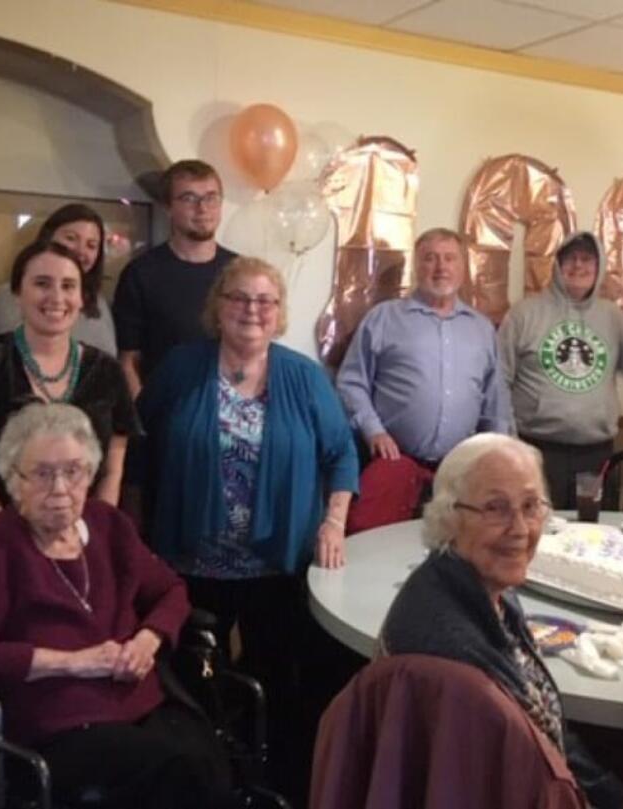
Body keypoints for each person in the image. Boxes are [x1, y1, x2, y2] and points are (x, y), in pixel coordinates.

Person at [0, 403, 233, 808]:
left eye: (73, 471)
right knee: (175, 770)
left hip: (142, 705)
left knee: (211, 760)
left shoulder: (109, 525)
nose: (59, 489)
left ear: (89, 474)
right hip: (56, 725)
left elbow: (171, 591)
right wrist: (74, 662)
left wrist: (148, 638)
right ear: (12, 478)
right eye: (42, 473)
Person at [138, 256, 358, 798]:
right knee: (190, 684)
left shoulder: (303, 377)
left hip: (275, 562)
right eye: (239, 297)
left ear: (279, 313)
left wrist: (333, 524)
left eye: (265, 300)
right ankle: (202, 782)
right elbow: (140, 443)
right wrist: (135, 531)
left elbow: (343, 456)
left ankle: (274, 784)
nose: (252, 310)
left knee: (278, 683)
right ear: (218, 306)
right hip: (191, 559)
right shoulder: (181, 367)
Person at [378, 433, 623, 809]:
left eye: (531, 505)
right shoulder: (453, 648)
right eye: (495, 508)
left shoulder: (482, 588)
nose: (519, 528)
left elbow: (550, 737)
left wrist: (620, 801)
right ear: (450, 517)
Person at [0, 240, 137, 557]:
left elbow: (111, 471)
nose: (57, 297)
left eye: (68, 286)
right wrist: (21, 550)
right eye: (42, 284)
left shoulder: (107, 372)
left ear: (82, 297)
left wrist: (92, 539)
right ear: (17, 293)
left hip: (74, 546)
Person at [337, 227, 511, 531]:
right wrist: (373, 431)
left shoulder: (481, 329)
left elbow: (495, 401)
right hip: (395, 464)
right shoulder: (384, 318)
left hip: (461, 471)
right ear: (417, 266)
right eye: (430, 258)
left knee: (455, 557)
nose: (441, 267)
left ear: (462, 267)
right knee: (373, 545)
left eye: (449, 258)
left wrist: (500, 455)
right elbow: (352, 381)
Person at [499, 231, 623, 509]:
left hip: (596, 453)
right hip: (537, 450)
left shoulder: (612, 316)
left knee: (594, 538)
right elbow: (499, 381)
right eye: (570, 259)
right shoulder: (524, 314)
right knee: (536, 537)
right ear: (557, 266)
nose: (578, 266)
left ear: (599, 268)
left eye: (587, 259)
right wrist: (509, 444)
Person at [113, 159, 237, 399]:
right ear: (168, 207)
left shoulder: (239, 272)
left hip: (230, 414)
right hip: (164, 413)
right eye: (189, 198)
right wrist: (145, 417)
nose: (202, 208)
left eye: (211, 197)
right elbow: (128, 361)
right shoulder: (141, 273)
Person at [0, 203, 117, 355]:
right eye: (71, 238)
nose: (81, 251)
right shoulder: (9, 296)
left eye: (91, 245)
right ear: (48, 237)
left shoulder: (97, 301)